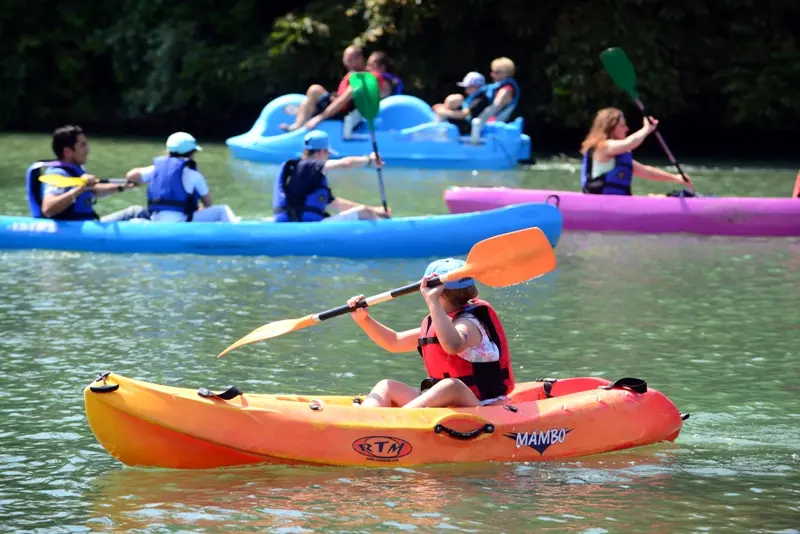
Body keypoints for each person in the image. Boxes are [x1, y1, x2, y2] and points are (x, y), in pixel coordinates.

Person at [346, 258, 515, 408]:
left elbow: (452, 345)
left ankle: (399, 421)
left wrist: (432, 300)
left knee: (451, 386)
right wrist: (363, 320)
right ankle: (366, 417)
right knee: (387, 386)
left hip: (482, 405)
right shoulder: (439, 324)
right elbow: (394, 342)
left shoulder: (469, 324)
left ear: (436, 293)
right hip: (444, 402)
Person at [25, 125, 147, 221]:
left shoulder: (76, 169)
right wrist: (80, 188)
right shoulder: (58, 174)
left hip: (86, 224)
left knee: (138, 212)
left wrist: (123, 186)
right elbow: (48, 208)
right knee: (137, 212)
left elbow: (93, 191)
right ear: (68, 152)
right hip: (72, 229)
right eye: (82, 145)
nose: (88, 150)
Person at [273, 131, 389, 222]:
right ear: (321, 152)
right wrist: (369, 160)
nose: (328, 157)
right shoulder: (307, 166)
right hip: (304, 226)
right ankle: (389, 232)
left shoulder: (305, 174)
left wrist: (376, 210)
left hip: (299, 223)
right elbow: (346, 164)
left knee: (367, 211)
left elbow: (336, 204)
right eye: (328, 153)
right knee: (364, 213)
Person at [125, 132, 238, 222]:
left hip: (155, 220)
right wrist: (197, 209)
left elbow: (131, 176)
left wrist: (140, 182)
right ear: (191, 154)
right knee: (223, 210)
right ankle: (238, 234)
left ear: (168, 151)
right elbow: (208, 204)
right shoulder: (194, 175)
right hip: (181, 221)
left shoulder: (155, 169)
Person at [579, 108, 693, 195]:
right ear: (611, 128)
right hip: (601, 202)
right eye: (622, 126)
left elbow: (646, 171)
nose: (627, 129)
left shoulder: (619, 154)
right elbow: (630, 143)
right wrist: (646, 129)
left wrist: (675, 177)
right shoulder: (602, 147)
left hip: (618, 202)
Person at [280, 46, 366, 132]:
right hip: (340, 109)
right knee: (308, 100)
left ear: (360, 59)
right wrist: (335, 96)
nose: (346, 62)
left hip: (346, 115)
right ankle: (298, 126)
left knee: (315, 90)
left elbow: (342, 102)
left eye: (350, 59)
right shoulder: (352, 75)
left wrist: (319, 118)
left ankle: (297, 128)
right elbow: (342, 97)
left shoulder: (360, 79)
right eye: (346, 59)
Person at [433, 71, 491, 136]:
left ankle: (437, 133)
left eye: (468, 87)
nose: (465, 90)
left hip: (470, 129)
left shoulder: (480, 100)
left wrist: (444, 112)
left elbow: (462, 115)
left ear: (476, 87)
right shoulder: (473, 97)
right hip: (467, 125)